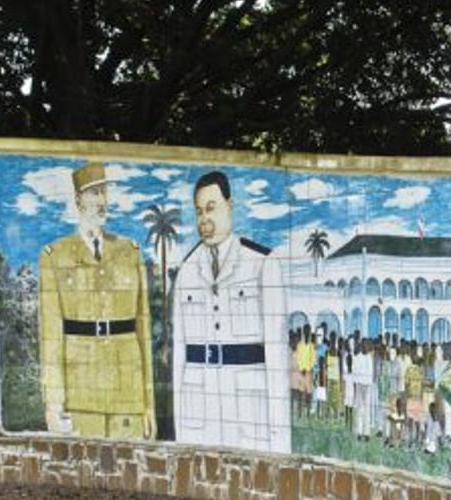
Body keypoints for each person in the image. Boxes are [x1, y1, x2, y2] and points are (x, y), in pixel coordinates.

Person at [171, 170, 288, 450]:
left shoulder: (261, 263)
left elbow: (276, 353)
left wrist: (280, 438)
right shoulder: (187, 270)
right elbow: (179, 355)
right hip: (199, 406)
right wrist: (180, 428)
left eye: (211, 208)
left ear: (230, 205)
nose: (204, 220)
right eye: (199, 212)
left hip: (248, 406)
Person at [38, 161, 155, 439]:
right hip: (80, 387)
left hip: (127, 385)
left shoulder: (129, 251)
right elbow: (51, 336)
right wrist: (53, 404)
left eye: (104, 193)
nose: (101, 201)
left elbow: (144, 329)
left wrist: (148, 403)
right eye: (93, 193)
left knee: (130, 469)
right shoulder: (56, 255)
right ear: (79, 200)